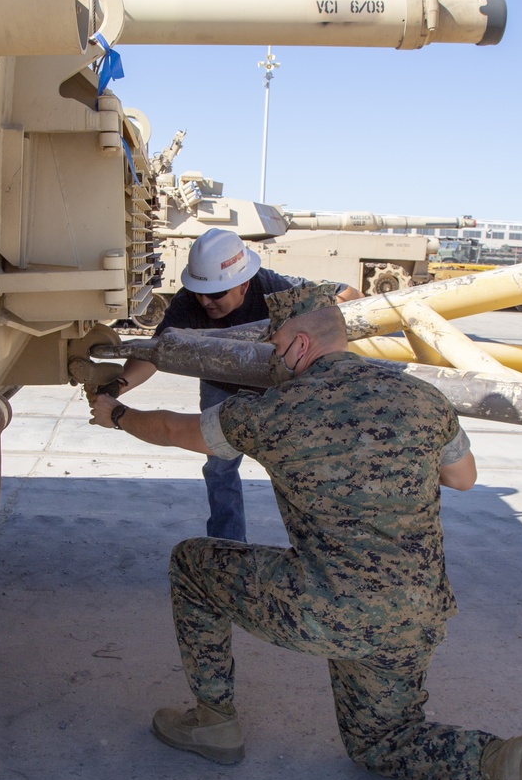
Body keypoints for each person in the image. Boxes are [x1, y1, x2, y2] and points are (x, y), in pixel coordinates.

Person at [89, 281, 522, 780]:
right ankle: (503, 758)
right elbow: (463, 478)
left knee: (193, 563)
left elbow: (172, 430)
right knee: (381, 741)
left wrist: (115, 414)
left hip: (329, 609)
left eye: (274, 347)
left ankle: (213, 720)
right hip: (418, 612)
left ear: (295, 345)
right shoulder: (421, 398)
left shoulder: (274, 414)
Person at [116, 227, 360, 543]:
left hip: (274, 389)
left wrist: (329, 311)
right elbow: (156, 352)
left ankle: (315, 549)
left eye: (216, 294)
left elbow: (350, 294)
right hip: (221, 387)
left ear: (243, 284)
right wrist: (120, 385)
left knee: (294, 465)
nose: (204, 302)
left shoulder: (274, 289)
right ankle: (228, 545)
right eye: (198, 292)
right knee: (220, 469)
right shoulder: (188, 302)